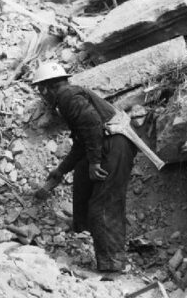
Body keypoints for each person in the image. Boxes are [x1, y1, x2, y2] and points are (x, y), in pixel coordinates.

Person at [32, 62, 137, 274]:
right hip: (109, 142)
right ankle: (85, 228)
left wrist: (96, 162)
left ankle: (113, 264)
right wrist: (60, 171)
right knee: (82, 174)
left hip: (114, 145)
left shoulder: (66, 97)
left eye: (41, 91)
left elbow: (92, 126)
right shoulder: (70, 96)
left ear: (46, 88)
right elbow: (82, 143)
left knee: (104, 204)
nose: (42, 97)